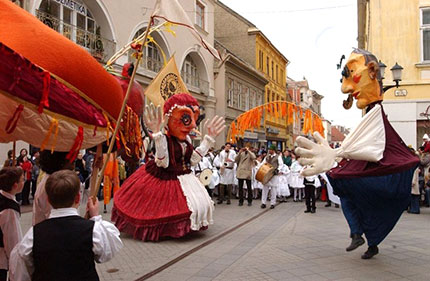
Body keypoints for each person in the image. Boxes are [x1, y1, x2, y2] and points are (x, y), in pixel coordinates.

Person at [295, 49, 419, 259]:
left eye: (352, 78)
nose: (346, 88)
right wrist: (338, 156)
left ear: (371, 71)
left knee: (349, 191)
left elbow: (371, 147)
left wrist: (336, 153)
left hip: (379, 176)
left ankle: (365, 237)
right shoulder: (371, 116)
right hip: (369, 174)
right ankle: (360, 235)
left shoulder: (376, 116)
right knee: (344, 190)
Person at [111, 93, 225, 241]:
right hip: (163, 176)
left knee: (193, 205)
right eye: (186, 119)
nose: (193, 125)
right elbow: (163, 163)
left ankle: (186, 228)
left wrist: (208, 139)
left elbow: (192, 160)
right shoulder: (164, 139)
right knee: (163, 208)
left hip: (184, 176)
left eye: (195, 119)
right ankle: (165, 231)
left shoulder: (187, 140)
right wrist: (158, 135)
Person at [9, 170, 123, 281]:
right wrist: (95, 218)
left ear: (48, 200)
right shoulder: (93, 230)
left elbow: (20, 273)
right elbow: (106, 253)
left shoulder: (33, 235)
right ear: (78, 198)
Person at [32, 151, 73, 225]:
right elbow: (59, 222)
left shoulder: (54, 181)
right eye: (69, 160)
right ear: (60, 163)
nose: (72, 165)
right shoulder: (52, 186)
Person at [0, 167, 24, 281]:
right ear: (15, 185)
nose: (24, 182)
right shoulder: (9, 209)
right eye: (22, 180)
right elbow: (12, 240)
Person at [261, 145, 283, 209]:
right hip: (267, 174)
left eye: (270, 150)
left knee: (273, 189)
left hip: (274, 174)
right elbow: (263, 163)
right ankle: (263, 203)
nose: (269, 151)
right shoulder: (267, 157)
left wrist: (278, 170)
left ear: (273, 150)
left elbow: (281, 164)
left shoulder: (278, 157)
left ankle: (272, 203)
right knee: (265, 188)